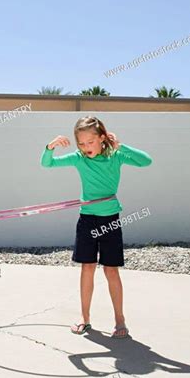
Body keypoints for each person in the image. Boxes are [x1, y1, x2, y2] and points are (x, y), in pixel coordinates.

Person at [41, 116, 152, 338]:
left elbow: (146, 161)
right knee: (87, 267)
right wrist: (49, 146)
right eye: (81, 144)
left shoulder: (115, 156)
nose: (85, 148)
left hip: (110, 218)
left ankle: (120, 321)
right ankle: (85, 318)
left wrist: (122, 146)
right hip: (87, 218)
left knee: (111, 270)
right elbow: (48, 163)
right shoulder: (79, 158)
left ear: (102, 138)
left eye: (89, 142)